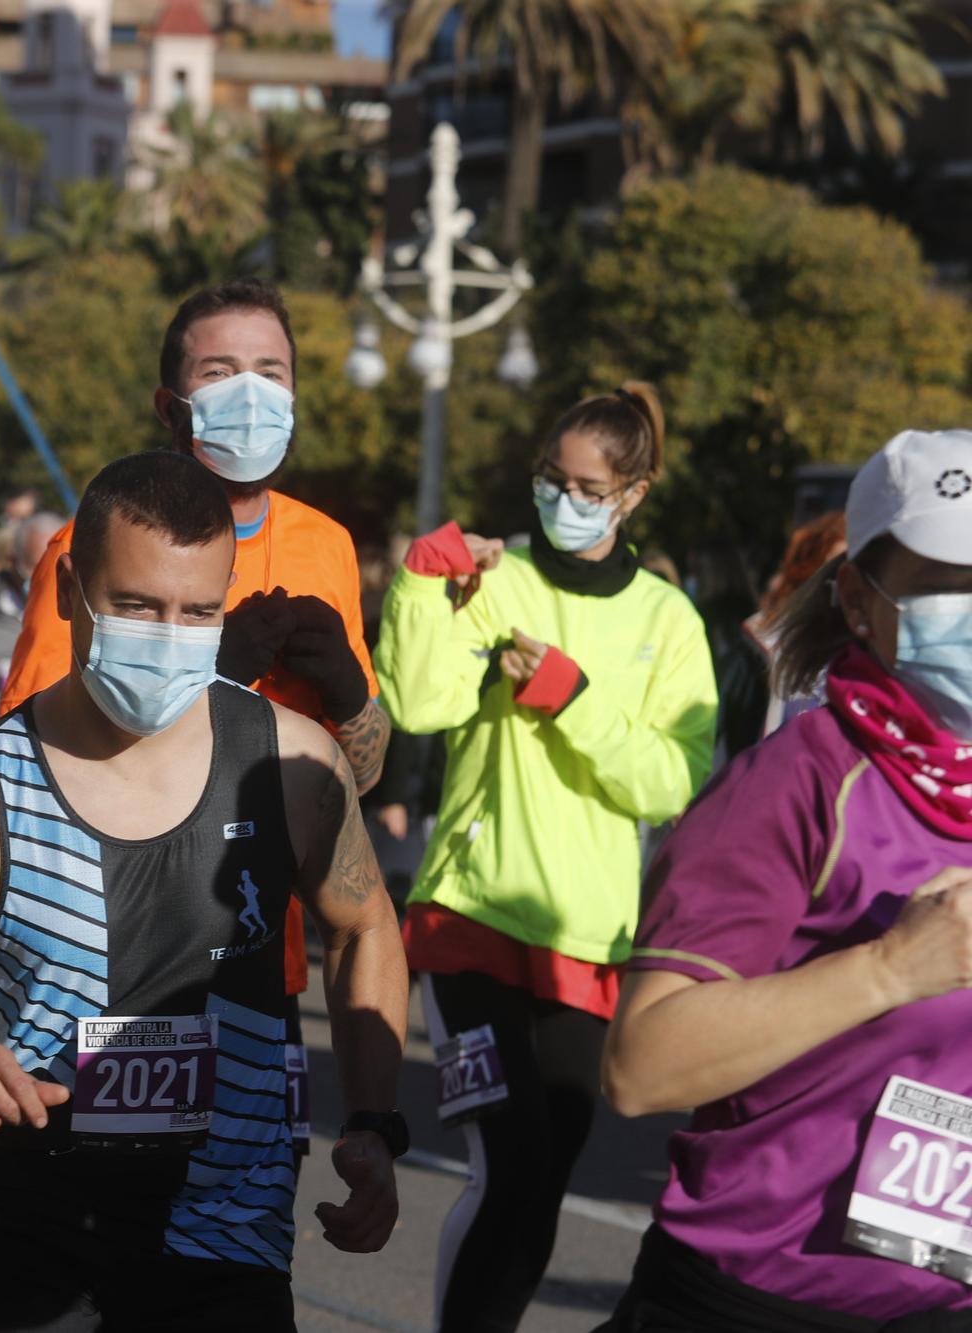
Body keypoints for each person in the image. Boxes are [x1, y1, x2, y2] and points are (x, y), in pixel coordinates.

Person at [0, 452, 409, 1331]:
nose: (168, 635)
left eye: (199, 613)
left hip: (224, 1239)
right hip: (11, 1236)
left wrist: (374, 1121)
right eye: (139, 606)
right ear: (70, 587)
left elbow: (365, 924)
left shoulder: (290, 765)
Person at [599, 428, 972, 1329]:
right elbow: (643, 1067)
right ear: (856, 598)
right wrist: (888, 970)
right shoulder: (799, 778)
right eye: (944, 580)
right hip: (757, 1299)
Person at [375, 382, 718, 1332]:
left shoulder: (668, 622)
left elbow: (671, 782)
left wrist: (573, 696)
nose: (564, 499)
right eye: (550, 479)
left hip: (586, 937)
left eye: (587, 486)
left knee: (541, 1188)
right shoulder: (497, 578)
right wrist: (416, 584)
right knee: (510, 1162)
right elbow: (420, 704)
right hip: (468, 919)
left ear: (632, 494)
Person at [0, 280, 390, 1057]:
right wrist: (218, 674)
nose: (251, 393)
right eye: (218, 372)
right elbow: (24, 756)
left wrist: (349, 695)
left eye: (270, 371)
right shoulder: (90, 546)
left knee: (249, 1179)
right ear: (168, 404)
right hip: (107, 949)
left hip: (257, 953)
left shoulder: (328, 545)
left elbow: (360, 776)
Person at [712, 511, 848, 761]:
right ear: (805, 576)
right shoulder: (761, 651)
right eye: (834, 570)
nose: (848, 583)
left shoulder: (877, 654)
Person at [0, 511, 64, 726]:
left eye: (53, 568)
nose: (44, 579)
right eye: (36, 568)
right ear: (12, 560)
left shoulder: (75, 611)